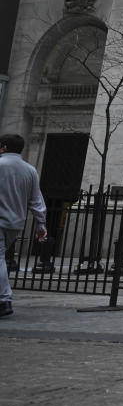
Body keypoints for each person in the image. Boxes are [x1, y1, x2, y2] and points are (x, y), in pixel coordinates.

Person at [0, 133, 48, 318]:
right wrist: (41, 225)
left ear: (3, 147)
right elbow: (37, 201)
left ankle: (4, 300)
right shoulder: (30, 170)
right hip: (15, 222)